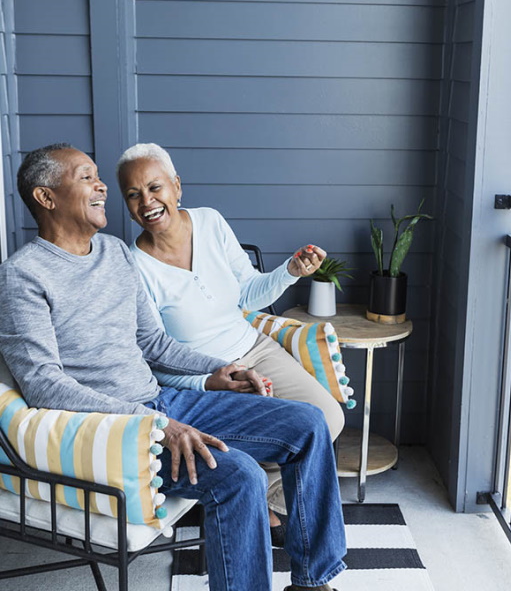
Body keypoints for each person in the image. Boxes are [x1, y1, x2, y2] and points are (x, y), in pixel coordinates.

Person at [0, 143, 346, 591]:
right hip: (114, 433)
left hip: (162, 403)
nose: (102, 185)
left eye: (98, 176)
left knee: (309, 424)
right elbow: (45, 386)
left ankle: (313, 582)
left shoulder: (114, 254)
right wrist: (156, 424)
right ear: (46, 198)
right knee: (238, 476)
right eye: (86, 177)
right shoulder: (23, 275)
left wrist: (222, 368)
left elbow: (153, 342)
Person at [115, 143, 345, 535]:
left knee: (329, 418)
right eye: (134, 195)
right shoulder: (132, 265)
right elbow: (154, 356)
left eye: (155, 188)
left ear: (177, 186)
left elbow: (247, 294)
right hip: (201, 382)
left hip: (252, 348)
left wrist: (289, 271)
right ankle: (252, 499)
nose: (147, 202)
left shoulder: (210, 222)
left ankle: (264, 495)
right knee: (275, 437)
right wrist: (211, 379)